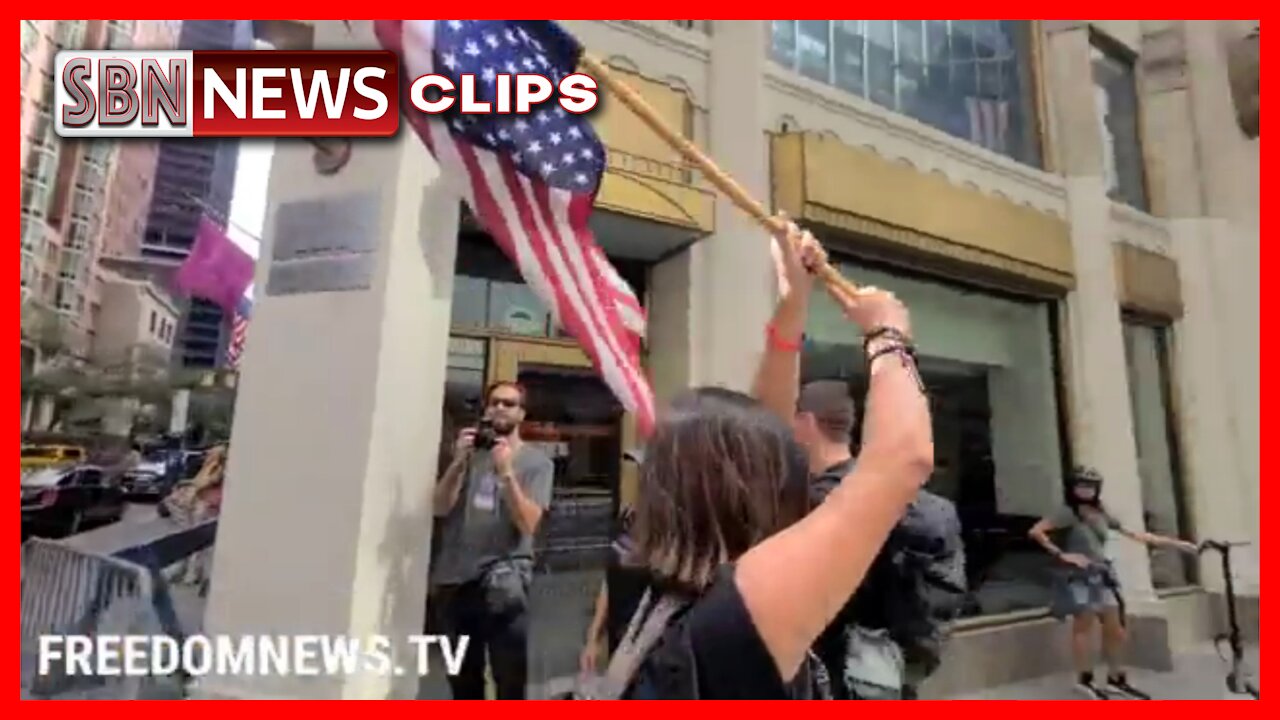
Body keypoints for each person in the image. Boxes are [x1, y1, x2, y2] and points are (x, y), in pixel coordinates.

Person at [597, 219, 934, 699]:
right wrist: (888, 336)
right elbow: (902, 462)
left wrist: (794, 303)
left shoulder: (640, 566)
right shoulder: (742, 610)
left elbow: (765, 433)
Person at [430, 380, 555, 700]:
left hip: (505, 580)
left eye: (509, 403)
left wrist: (507, 473)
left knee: (510, 679)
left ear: (522, 413)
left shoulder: (537, 463)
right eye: (495, 402)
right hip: (457, 579)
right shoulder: (469, 456)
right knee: (463, 681)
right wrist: (458, 462)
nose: (500, 407)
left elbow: (528, 522)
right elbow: (439, 506)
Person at [1028, 466, 1197, 699]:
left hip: (1102, 573)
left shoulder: (1100, 512)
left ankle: (1116, 677)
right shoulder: (1067, 512)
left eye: (1091, 486)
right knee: (1084, 627)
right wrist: (1062, 554)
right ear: (1072, 487)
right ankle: (1085, 679)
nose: (1086, 490)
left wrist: (1176, 543)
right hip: (1079, 576)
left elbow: (1135, 534)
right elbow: (1036, 531)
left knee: (1115, 628)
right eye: (1081, 485)